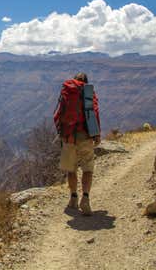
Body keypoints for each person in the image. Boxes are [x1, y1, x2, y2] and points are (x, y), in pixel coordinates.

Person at [53, 72, 101, 216]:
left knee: (71, 169)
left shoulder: (67, 91)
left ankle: (73, 198)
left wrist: (62, 132)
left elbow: (58, 113)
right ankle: (85, 198)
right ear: (86, 81)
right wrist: (96, 134)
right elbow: (95, 112)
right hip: (85, 136)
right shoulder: (88, 92)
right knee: (87, 168)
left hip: (69, 136)